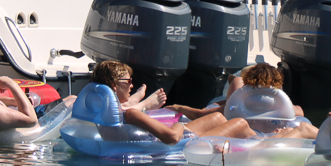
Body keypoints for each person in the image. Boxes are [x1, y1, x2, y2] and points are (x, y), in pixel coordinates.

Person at [92, 60, 259, 145]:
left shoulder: (101, 112)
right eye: (128, 81)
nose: (131, 84)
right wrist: (179, 125)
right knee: (240, 123)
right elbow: (171, 138)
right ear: (114, 85)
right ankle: (262, 149)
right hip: (182, 142)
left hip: (173, 138)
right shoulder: (131, 113)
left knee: (217, 118)